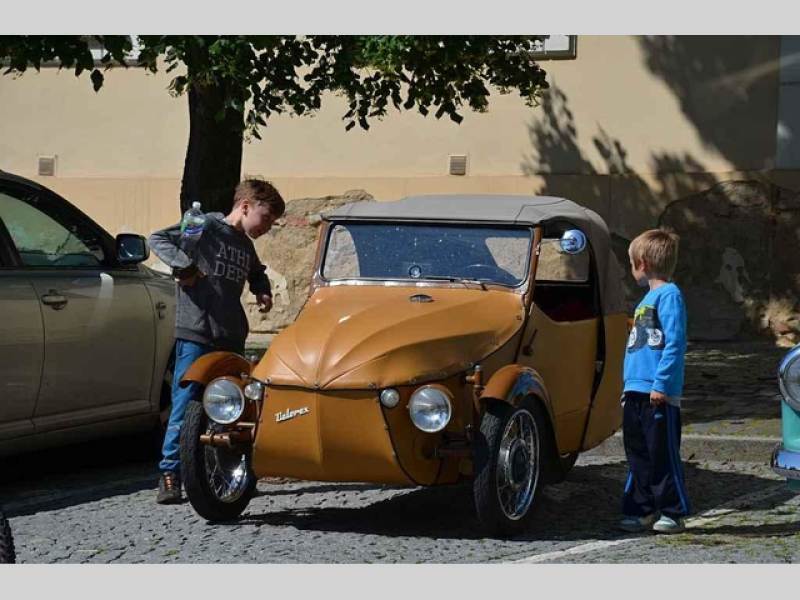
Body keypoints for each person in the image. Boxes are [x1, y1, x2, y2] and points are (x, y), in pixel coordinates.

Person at [148, 178, 285, 504]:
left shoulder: (245, 246)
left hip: (231, 336)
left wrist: (262, 290)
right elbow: (159, 239)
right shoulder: (204, 225)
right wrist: (185, 267)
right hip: (197, 331)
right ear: (245, 206)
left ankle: (225, 470)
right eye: (266, 218)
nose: (267, 227)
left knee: (231, 408)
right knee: (186, 404)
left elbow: (256, 271)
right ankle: (170, 473)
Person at [619, 228, 691, 534]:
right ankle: (641, 508)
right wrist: (628, 387)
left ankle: (673, 511)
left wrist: (661, 384)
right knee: (638, 454)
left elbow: (674, 343)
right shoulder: (646, 300)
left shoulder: (669, 295)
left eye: (631, 263)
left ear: (643, 263)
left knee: (662, 455)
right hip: (636, 391)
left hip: (657, 394)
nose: (631, 268)